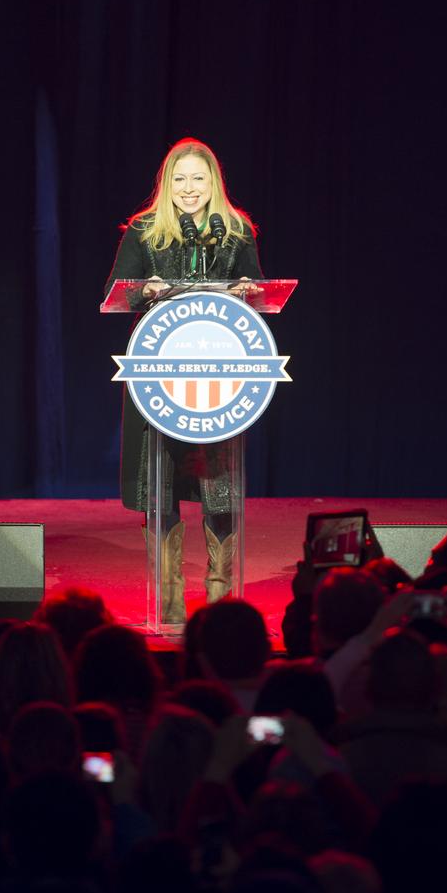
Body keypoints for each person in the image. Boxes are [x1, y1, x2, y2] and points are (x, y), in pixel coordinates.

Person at [104, 138, 263, 623]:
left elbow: (257, 289)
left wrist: (246, 291)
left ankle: (218, 594)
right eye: (179, 179)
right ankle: (170, 599)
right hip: (157, 374)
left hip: (216, 377)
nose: (189, 189)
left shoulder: (233, 231)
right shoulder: (145, 230)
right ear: (165, 184)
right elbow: (117, 293)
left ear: (212, 182)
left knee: (218, 483)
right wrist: (143, 291)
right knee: (161, 482)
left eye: (198, 178)